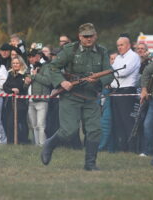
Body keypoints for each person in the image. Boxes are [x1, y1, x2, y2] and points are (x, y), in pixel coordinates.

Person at [41, 23, 114, 171]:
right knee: (69, 131)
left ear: (96, 35)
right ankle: (50, 144)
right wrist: (62, 81)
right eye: (85, 36)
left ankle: (90, 163)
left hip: (91, 97)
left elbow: (109, 72)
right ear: (79, 37)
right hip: (71, 96)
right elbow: (52, 67)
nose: (88, 39)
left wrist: (99, 81)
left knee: (94, 130)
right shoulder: (70, 50)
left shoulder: (102, 51)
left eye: (91, 36)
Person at [110, 36, 141, 152]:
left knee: (127, 121)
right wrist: (113, 71)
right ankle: (123, 148)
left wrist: (113, 71)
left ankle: (132, 149)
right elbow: (114, 70)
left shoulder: (133, 56)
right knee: (118, 121)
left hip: (127, 91)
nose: (119, 47)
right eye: (118, 45)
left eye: (121, 45)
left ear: (128, 45)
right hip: (116, 91)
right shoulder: (118, 57)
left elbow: (123, 72)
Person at [24, 50, 51, 146]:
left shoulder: (46, 67)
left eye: (33, 56)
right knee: (34, 125)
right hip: (30, 100)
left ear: (39, 56)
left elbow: (48, 81)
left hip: (42, 100)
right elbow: (25, 86)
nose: (31, 59)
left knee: (41, 125)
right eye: (29, 57)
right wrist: (26, 83)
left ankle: (43, 145)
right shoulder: (28, 68)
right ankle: (37, 145)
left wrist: (35, 76)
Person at [3, 56, 29, 144]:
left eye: (17, 63)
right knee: (10, 123)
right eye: (13, 63)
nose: (15, 65)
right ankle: (11, 142)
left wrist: (13, 89)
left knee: (21, 123)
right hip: (11, 103)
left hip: (21, 103)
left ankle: (23, 141)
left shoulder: (24, 74)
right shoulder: (10, 74)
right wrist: (12, 90)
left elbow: (21, 88)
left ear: (21, 64)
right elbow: (5, 86)